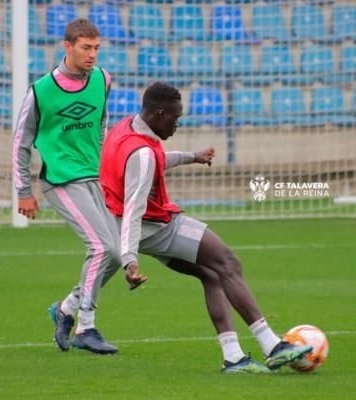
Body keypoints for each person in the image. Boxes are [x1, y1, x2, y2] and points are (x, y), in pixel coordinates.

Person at [99, 82, 312, 373]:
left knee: (212, 274)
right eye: (175, 118)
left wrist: (191, 157)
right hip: (156, 227)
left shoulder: (126, 129)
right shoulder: (143, 154)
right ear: (160, 113)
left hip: (134, 227)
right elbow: (135, 205)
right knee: (227, 262)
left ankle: (233, 358)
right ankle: (273, 346)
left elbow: (152, 162)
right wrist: (129, 260)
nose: (177, 124)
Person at [12, 19, 122, 355]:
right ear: (67, 46)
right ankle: (85, 327)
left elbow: (101, 125)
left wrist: (107, 170)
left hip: (94, 177)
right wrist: (23, 191)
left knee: (116, 254)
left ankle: (65, 309)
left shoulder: (102, 79)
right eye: (86, 47)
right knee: (101, 248)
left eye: (96, 48)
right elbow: (21, 142)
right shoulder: (41, 90)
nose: (92, 55)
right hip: (60, 180)